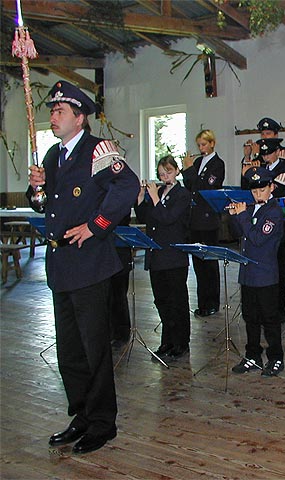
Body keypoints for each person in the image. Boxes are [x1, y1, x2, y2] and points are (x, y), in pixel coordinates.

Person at [27, 80, 139, 453]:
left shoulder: (98, 150)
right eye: (52, 111)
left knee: (94, 349)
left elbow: (127, 186)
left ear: (80, 117)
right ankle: (82, 415)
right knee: (69, 351)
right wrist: (36, 190)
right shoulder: (53, 157)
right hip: (61, 263)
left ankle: (103, 423)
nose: (53, 116)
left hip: (90, 264)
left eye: (60, 111)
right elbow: (46, 207)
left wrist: (96, 226)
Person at [229, 167, 285, 377]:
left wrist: (243, 216)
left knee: (270, 319)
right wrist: (234, 216)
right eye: (254, 191)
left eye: (262, 189)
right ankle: (252, 355)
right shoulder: (251, 208)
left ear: (271, 187)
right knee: (250, 317)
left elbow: (257, 239)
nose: (258, 194)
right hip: (248, 274)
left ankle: (276, 357)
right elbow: (237, 234)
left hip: (265, 275)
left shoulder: (273, 212)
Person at [134, 155, 191, 359]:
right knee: (161, 300)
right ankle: (167, 340)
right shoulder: (157, 191)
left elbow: (168, 218)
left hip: (174, 255)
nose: (164, 176)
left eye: (168, 171)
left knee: (177, 300)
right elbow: (144, 216)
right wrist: (141, 197)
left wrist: (156, 199)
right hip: (156, 254)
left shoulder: (183, 194)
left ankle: (181, 342)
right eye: (161, 173)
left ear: (176, 171)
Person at [182, 129, 225, 317]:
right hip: (194, 219)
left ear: (212, 143)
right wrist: (187, 170)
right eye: (199, 145)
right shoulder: (198, 162)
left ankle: (213, 302)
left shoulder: (218, 164)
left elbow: (205, 187)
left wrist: (190, 170)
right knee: (198, 264)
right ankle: (202, 302)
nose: (201, 148)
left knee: (209, 263)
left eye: (204, 144)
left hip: (208, 220)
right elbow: (190, 186)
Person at [257, 137, 285, 324]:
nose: (265, 156)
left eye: (269, 152)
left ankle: (279, 311)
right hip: (261, 224)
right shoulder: (263, 170)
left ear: (277, 152)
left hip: (277, 225)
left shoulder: (283, 169)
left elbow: (276, 192)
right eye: (263, 153)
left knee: (278, 268)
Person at [240, 117, 285, 189]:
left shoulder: (283, 151)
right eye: (262, 134)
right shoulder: (260, 150)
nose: (265, 137)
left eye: (268, 133)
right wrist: (247, 156)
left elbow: (277, 170)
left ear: (276, 135)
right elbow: (251, 179)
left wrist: (256, 155)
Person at [109, 214, 133, 349]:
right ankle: (109, 331)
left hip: (120, 253)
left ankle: (121, 333)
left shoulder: (120, 195)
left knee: (119, 296)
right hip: (104, 253)